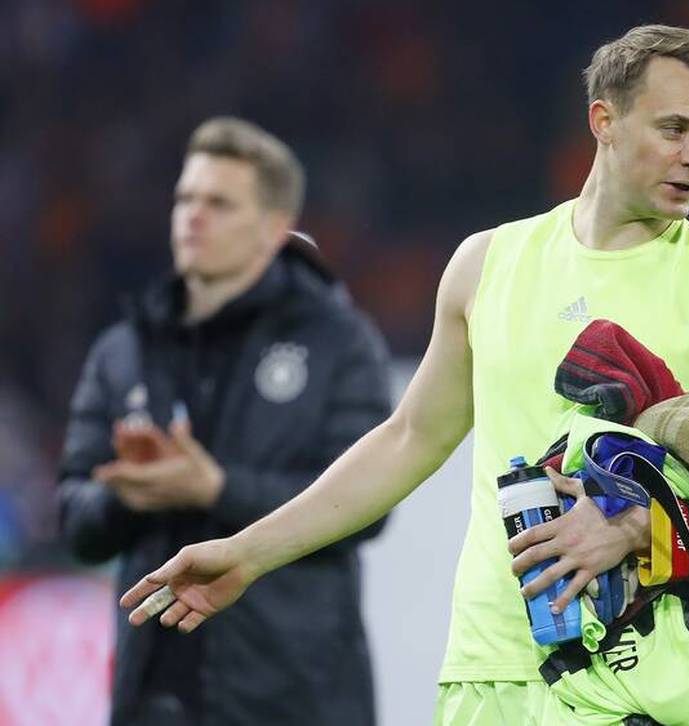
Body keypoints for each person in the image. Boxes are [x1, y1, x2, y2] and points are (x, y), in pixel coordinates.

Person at [120, 24, 689, 725]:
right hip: (487, 679)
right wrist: (246, 554)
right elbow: (408, 439)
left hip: (641, 690)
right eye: (675, 128)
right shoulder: (488, 265)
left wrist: (640, 528)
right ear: (604, 120)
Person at [58, 117, 392, 726]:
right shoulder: (124, 349)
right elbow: (75, 521)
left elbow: (367, 509)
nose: (193, 216)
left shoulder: (339, 342)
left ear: (271, 228)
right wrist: (125, 493)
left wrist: (215, 488)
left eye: (218, 202)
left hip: (293, 697)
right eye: (185, 198)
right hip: (153, 693)